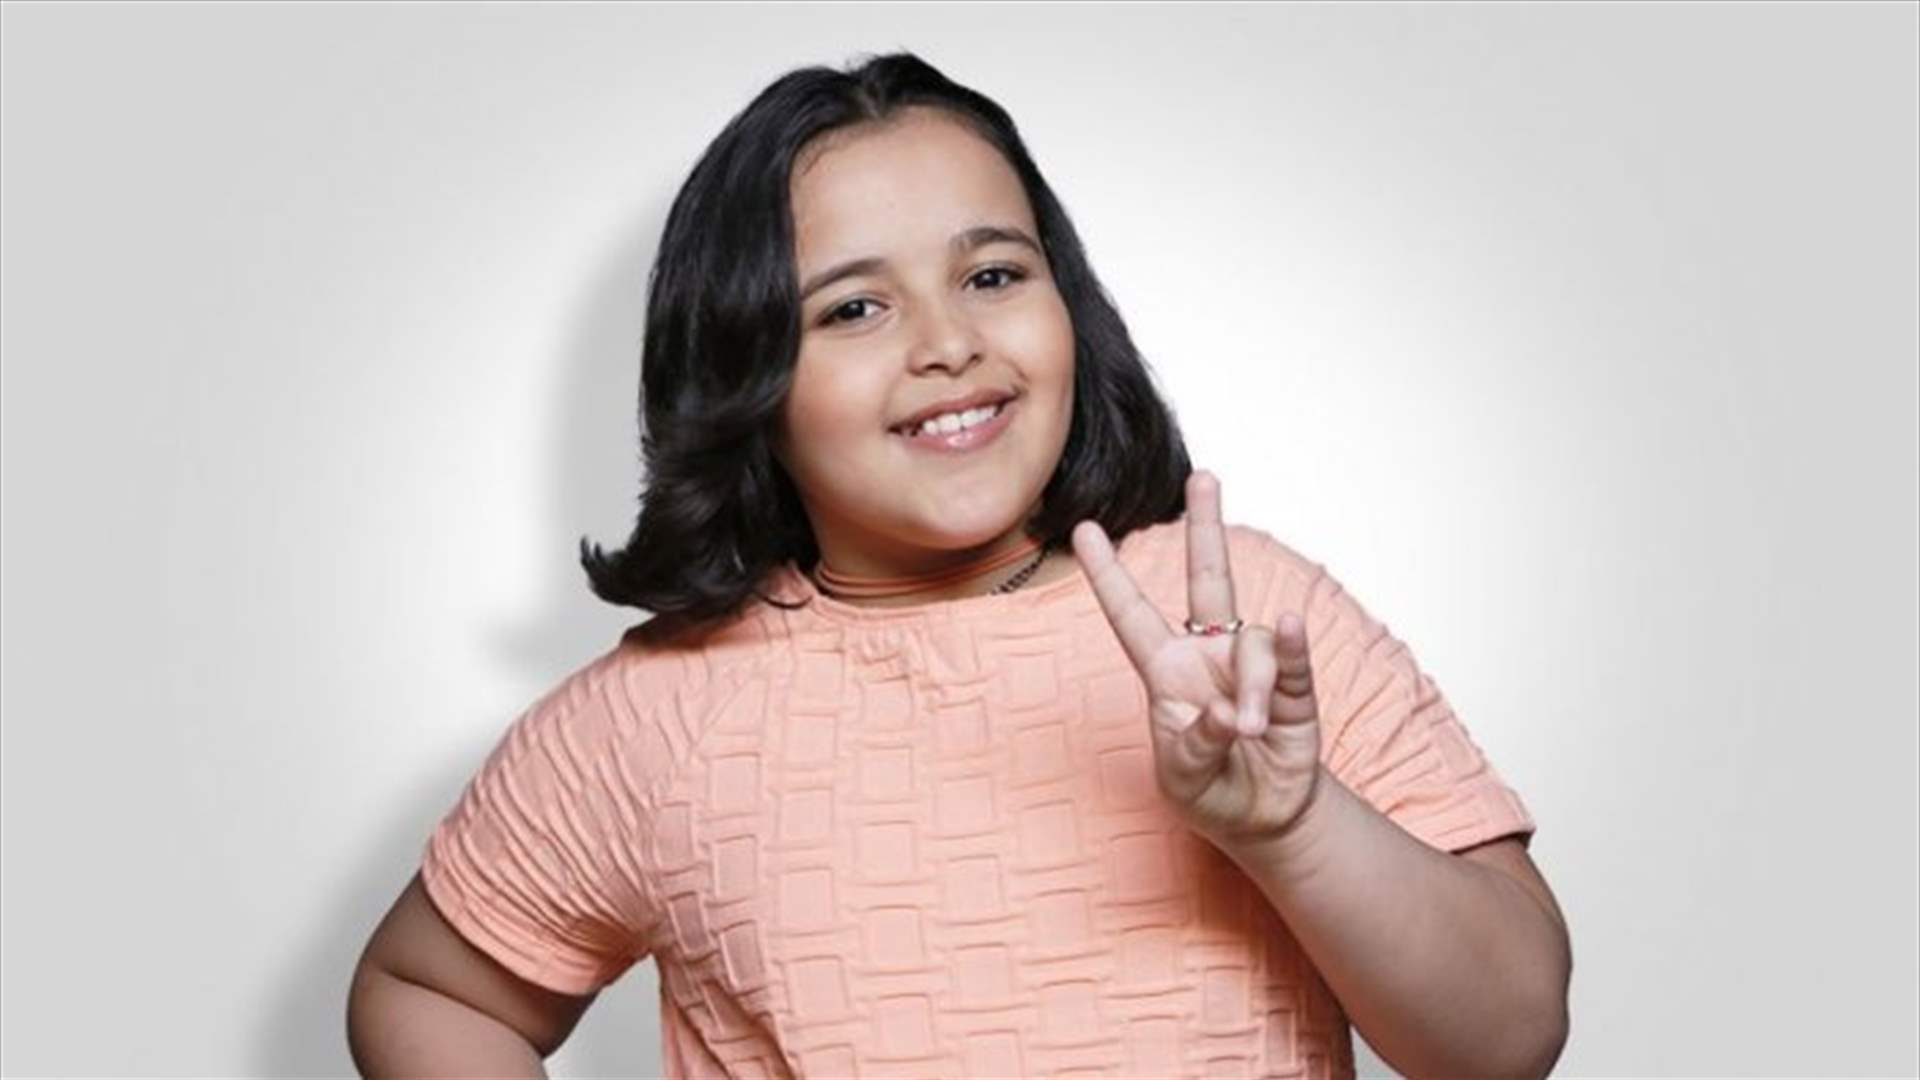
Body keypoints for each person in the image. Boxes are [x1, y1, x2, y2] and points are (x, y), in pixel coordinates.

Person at [347, 51, 1571, 1079]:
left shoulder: (1253, 625)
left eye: (992, 275)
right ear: (743, 375)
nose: (948, 343)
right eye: (853, 308)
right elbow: (429, 991)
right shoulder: (655, 719)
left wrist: (1293, 827)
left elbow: (1509, 1037)